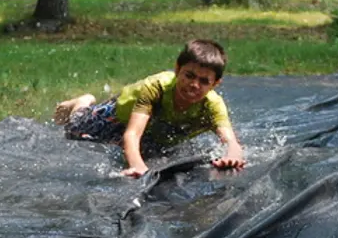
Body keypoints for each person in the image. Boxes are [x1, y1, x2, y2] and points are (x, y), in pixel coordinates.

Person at [52, 39, 244, 177]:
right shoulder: (156, 87)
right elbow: (132, 134)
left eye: (204, 81)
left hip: (154, 130)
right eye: (189, 75)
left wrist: (232, 157)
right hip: (119, 116)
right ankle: (81, 103)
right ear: (177, 69)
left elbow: (231, 142)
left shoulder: (212, 105)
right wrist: (137, 166)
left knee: (153, 152)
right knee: (74, 130)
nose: (194, 85)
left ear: (215, 84)